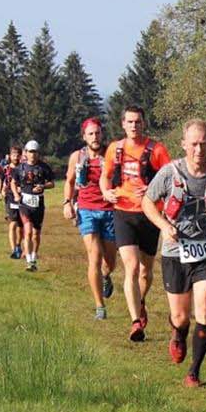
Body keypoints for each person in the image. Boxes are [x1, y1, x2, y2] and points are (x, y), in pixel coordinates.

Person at [144, 119, 206, 388]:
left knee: (205, 308)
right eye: (194, 144)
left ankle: (194, 372)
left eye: (203, 143)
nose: (199, 149)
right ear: (184, 145)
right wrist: (164, 226)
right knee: (180, 316)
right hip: (176, 252)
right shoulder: (169, 173)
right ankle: (177, 333)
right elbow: (147, 203)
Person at [100, 106, 172, 343]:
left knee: (145, 271)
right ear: (123, 124)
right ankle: (135, 323)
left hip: (150, 215)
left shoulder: (157, 150)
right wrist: (106, 191)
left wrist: (153, 191)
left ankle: (140, 301)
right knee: (130, 268)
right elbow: (106, 175)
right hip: (123, 212)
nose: (134, 126)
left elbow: (172, 181)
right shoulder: (115, 149)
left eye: (138, 122)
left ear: (144, 124)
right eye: (130, 122)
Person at [64, 118, 117, 320]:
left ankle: (105, 276)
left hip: (110, 210)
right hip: (87, 210)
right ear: (84, 136)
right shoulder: (77, 157)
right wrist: (67, 203)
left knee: (110, 262)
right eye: (91, 134)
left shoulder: (111, 154)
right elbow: (69, 182)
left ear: (102, 134)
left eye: (98, 133)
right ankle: (99, 306)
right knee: (93, 256)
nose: (95, 137)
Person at [11, 140, 56, 271]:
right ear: (26, 152)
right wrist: (16, 195)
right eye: (30, 152)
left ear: (38, 153)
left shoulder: (44, 167)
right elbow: (13, 183)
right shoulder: (20, 168)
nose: (33, 154)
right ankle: (29, 260)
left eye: (35, 152)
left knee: (36, 234)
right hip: (25, 203)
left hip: (39, 203)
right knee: (28, 231)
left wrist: (43, 186)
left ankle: (34, 257)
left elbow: (52, 183)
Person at [1, 145, 25, 259]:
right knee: (13, 223)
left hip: (23, 198)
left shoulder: (24, 168)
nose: (15, 157)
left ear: (20, 156)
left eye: (17, 155)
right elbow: (1, 181)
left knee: (21, 226)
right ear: (10, 156)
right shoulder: (5, 169)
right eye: (13, 155)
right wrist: (1, 190)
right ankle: (13, 250)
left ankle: (18, 245)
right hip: (10, 197)